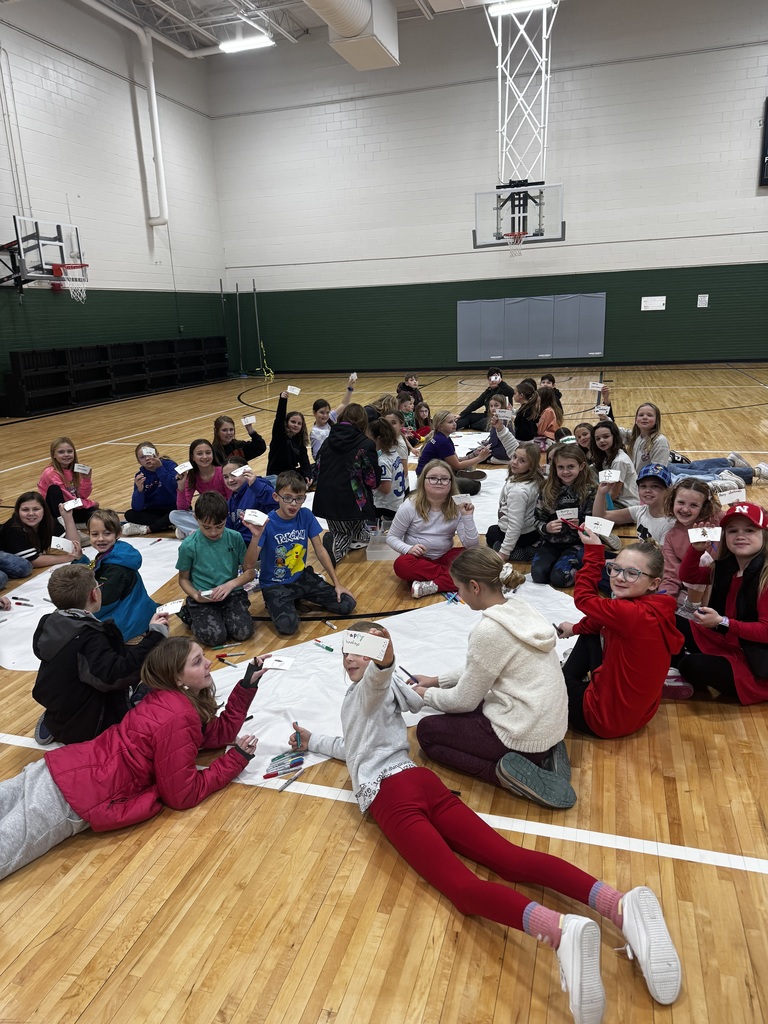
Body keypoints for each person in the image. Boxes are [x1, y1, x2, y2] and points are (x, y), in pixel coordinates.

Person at [289, 621, 682, 1024]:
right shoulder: (367, 700)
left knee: (463, 889)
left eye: (360, 649)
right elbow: (350, 747)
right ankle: (616, 903)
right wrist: (310, 740)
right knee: (509, 858)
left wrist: (383, 654)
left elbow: (381, 674)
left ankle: (561, 932)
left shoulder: (370, 689)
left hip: (393, 798)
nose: (351, 657)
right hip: (421, 783)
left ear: (374, 656)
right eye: (346, 650)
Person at [0, 638, 266, 881]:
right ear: (176, 678)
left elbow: (214, 734)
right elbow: (182, 795)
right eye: (197, 661)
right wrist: (234, 761)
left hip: (61, 768)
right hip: (69, 799)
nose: (208, 662)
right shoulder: (179, 716)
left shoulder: (165, 698)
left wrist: (246, 685)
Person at [413, 548, 576, 808]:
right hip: (548, 724)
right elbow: (483, 668)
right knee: (476, 704)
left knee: (427, 733)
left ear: (474, 587)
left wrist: (425, 695)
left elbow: (463, 700)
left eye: (459, 588)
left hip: (524, 733)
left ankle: (506, 774)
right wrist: (435, 680)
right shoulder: (520, 608)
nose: (459, 595)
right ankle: (541, 755)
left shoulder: (489, 630)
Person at [557, 529, 682, 738]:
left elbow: (584, 598)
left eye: (632, 573)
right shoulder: (658, 606)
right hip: (637, 715)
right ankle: (573, 680)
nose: (620, 578)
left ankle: (567, 682)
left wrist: (595, 553)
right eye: (616, 569)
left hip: (602, 720)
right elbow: (599, 621)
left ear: (654, 583)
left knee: (547, 684)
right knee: (592, 631)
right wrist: (575, 629)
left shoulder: (631, 614)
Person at [31, 563, 168, 746]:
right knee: (158, 681)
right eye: (99, 586)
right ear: (94, 594)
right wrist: (154, 637)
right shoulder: (90, 637)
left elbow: (63, 657)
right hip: (90, 727)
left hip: (60, 702)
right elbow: (115, 676)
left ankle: (57, 719)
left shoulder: (48, 621)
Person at [668, 501, 768, 703]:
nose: (740, 535)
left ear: (764, 536)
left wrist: (723, 622)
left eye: (749, 530)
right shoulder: (727, 567)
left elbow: (765, 632)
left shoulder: (765, 577)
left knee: (693, 664)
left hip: (754, 661)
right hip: (727, 640)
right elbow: (689, 575)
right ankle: (673, 667)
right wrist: (695, 550)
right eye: (732, 531)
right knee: (668, 617)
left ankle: (675, 667)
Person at [243, 470, 356, 636]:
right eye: (287, 498)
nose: (293, 504)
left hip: (300, 577)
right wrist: (256, 537)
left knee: (347, 604)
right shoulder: (267, 522)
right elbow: (248, 565)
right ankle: (278, 601)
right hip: (275, 584)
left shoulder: (305, 515)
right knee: (288, 627)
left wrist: (337, 583)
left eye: (299, 499)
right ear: (276, 497)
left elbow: (320, 550)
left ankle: (296, 597)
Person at [386, 460, 479, 598]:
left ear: (451, 483)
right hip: (417, 559)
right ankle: (455, 579)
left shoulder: (458, 506)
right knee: (401, 564)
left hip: (444, 556)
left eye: (444, 479)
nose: (439, 482)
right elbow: (391, 537)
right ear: (423, 481)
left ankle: (433, 585)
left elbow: (471, 544)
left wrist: (467, 517)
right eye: (433, 478)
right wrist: (408, 549)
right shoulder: (409, 505)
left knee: (475, 556)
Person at [176, 492, 256, 647]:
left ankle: (219, 615)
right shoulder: (189, 545)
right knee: (215, 638)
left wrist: (231, 584)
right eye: (206, 527)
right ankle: (190, 614)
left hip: (231, 593)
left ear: (226, 519)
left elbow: (250, 572)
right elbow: (183, 579)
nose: (213, 532)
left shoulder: (235, 537)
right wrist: (196, 596)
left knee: (243, 633)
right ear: (196, 519)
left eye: (219, 526)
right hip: (204, 597)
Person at [313, 404, 381, 563]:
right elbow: (372, 480)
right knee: (346, 534)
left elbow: (317, 469)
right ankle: (334, 548)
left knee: (350, 532)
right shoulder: (366, 444)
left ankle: (341, 538)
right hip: (353, 502)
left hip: (326, 498)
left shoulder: (327, 441)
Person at [532, 444, 596, 588]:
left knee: (560, 579)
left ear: (581, 466)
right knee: (538, 575)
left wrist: (581, 523)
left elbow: (595, 522)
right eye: (561, 467)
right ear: (555, 467)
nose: (565, 471)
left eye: (570, 466)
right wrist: (546, 527)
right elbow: (537, 519)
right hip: (551, 542)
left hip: (577, 544)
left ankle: (581, 563)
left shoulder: (590, 490)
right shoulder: (546, 488)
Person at [88, 509, 157, 641]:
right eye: (95, 534)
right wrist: (80, 559)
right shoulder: (117, 553)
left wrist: (79, 611)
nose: (100, 539)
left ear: (118, 533)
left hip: (127, 623)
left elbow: (103, 604)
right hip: (137, 610)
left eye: (107, 533)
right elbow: (93, 571)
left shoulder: (115, 569)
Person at [660, 478, 722, 598]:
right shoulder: (671, 537)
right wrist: (663, 601)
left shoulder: (720, 519)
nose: (685, 509)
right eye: (681, 502)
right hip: (696, 595)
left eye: (693, 505)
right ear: (672, 501)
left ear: (704, 506)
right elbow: (672, 576)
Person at [486, 441, 543, 562]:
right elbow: (511, 445)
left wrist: (504, 552)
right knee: (493, 530)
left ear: (531, 465)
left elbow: (515, 524)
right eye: (514, 457)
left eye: (522, 461)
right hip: (531, 530)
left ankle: (520, 552)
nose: (515, 462)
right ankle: (528, 547)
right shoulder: (534, 477)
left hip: (522, 534)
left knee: (491, 535)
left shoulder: (518, 491)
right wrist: (501, 429)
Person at [592, 464, 674, 545]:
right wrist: (601, 493)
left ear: (668, 490)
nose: (648, 490)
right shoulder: (640, 511)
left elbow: (663, 557)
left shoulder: (670, 524)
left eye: (655, 486)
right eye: (643, 486)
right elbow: (601, 517)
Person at [0, 491, 83, 571]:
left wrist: (68, 517)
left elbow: (73, 545)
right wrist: (67, 558)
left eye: (36, 509)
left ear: (44, 511)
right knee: (24, 567)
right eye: (25, 510)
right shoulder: (14, 528)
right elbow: (33, 561)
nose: (31, 513)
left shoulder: (48, 522)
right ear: (18, 512)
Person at [415, 411, 489, 497]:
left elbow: (456, 460)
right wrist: (480, 458)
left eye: (454, 421)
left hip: (435, 472)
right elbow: (457, 465)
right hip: (427, 478)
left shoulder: (444, 438)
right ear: (440, 426)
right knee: (474, 486)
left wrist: (473, 455)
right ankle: (458, 475)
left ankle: (459, 475)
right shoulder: (442, 441)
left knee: (468, 465)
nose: (454, 424)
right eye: (450, 422)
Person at [170, 438, 228, 539]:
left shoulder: (222, 472)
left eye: (208, 453)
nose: (205, 457)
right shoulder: (192, 476)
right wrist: (181, 486)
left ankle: (196, 532)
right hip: (206, 515)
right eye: (200, 454)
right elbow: (183, 507)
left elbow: (232, 499)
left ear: (213, 455)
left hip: (224, 514)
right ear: (193, 457)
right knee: (174, 515)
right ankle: (203, 532)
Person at [37, 436, 98, 524]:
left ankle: (74, 525)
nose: (66, 455)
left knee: (99, 514)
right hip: (55, 512)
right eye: (61, 452)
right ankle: (64, 527)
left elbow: (82, 496)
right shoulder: (50, 473)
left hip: (71, 507)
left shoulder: (75, 469)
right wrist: (90, 503)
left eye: (69, 451)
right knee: (55, 489)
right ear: (53, 455)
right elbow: (67, 498)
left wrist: (86, 479)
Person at [123, 442, 178, 535]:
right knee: (129, 514)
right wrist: (139, 491)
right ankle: (166, 524)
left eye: (149, 454)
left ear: (157, 454)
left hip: (173, 507)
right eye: (142, 457)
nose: (147, 458)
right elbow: (137, 507)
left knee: (179, 512)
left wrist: (160, 468)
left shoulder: (170, 465)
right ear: (139, 461)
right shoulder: (140, 476)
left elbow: (174, 488)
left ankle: (149, 528)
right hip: (154, 511)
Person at [222, 456, 279, 545]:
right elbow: (228, 527)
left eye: (234, 474)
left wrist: (255, 484)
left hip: (262, 545)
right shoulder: (231, 500)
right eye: (225, 477)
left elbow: (276, 502)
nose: (230, 480)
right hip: (241, 545)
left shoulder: (259, 486)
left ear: (246, 472)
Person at [600, 402, 670, 473]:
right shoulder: (637, 437)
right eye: (641, 415)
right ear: (636, 420)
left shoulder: (660, 441)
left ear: (656, 421)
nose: (645, 417)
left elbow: (658, 471)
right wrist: (604, 418)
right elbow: (617, 432)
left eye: (649, 415)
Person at [591, 420, 639, 508]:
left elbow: (613, 494)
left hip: (625, 504)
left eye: (606, 436)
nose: (601, 440)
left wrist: (595, 503)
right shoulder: (606, 457)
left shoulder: (619, 461)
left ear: (614, 437)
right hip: (616, 500)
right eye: (598, 438)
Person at [309, 374, 357, 460]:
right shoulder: (315, 433)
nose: (325, 415)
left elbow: (344, 404)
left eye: (327, 412)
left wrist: (350, 388)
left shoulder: (330, 418)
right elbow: (316, 456)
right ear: (314, 413)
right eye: (322, 412)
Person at [267, 392, 312, 481]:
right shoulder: (280, 435)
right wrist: (283, 400)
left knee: (314, 471)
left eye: (299, 423)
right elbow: (279, 418)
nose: (296, 425)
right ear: (286, 423)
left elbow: (305, 462)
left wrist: (308, 475)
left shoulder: (300, 441)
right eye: (293, 422)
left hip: (291, 474)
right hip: (276, 476)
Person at [370, 418, 406, 522]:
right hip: (397, 502)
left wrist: (369, 481)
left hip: (386, 507)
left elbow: (385, 489)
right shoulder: (394, 453)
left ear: (378, 439)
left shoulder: (383, 461)